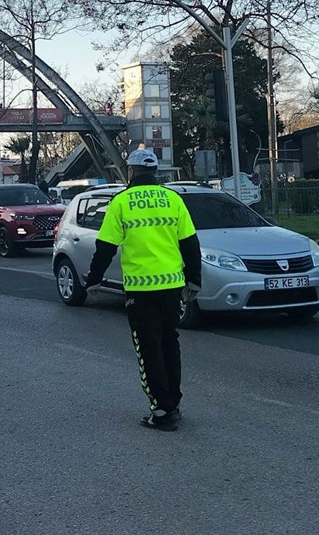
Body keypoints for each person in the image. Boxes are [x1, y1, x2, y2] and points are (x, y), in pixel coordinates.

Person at [85, 149, 202, 431]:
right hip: (172, 286)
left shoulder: (122, 202)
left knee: (148, 347)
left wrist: (94, 279)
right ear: (154, 172)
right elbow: (190, 242)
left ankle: (162, 411)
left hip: (141, 288)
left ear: (131, 172)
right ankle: (172, 401)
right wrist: (194, 279)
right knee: (169, 343)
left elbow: (106, 247)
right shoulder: (173, 199)